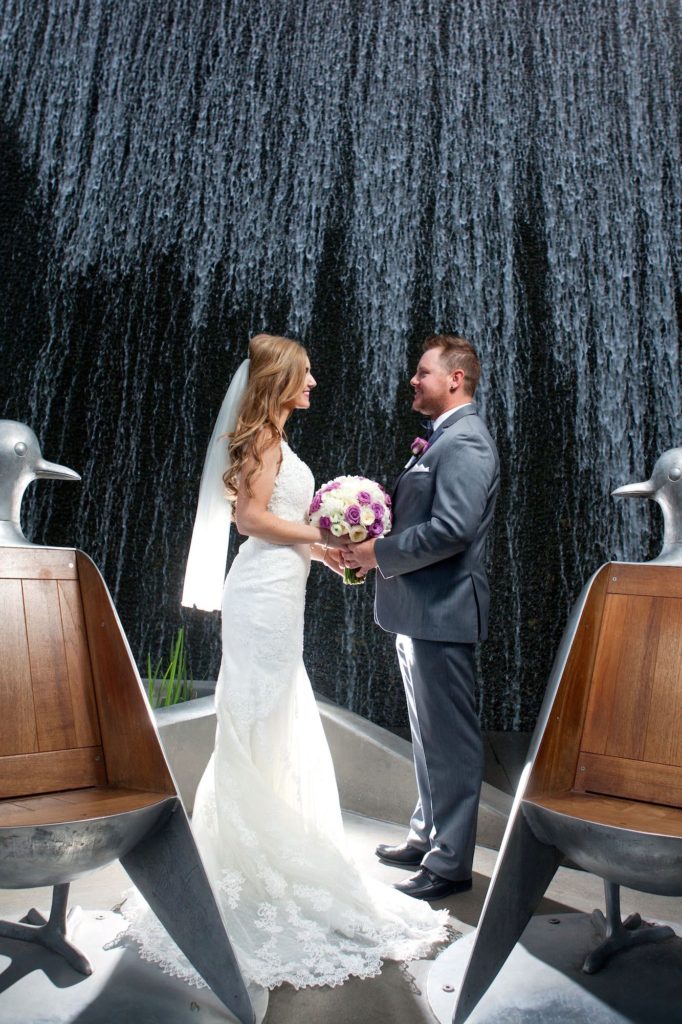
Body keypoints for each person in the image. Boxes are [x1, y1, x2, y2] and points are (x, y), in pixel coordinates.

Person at [126, 333, 449, 990]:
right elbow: (249, 519)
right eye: (305, 375)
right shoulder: (264, 443)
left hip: (282, 591)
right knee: (259, 711)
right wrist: (326, 533)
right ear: (279, 381)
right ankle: (253, 854)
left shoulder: (275, 440)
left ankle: (263, 839)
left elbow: (282, 522)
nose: (314, 385)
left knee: (271, 713)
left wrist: (329, 556)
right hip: (261, 595)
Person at [344, 334, 500, 902]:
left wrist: (375, 553)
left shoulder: (466, 443)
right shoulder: (441, 440)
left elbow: (453, 530)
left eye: (423, 371)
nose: (413, 380)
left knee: (452, 744)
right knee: (427, 735)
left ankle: (451, 864)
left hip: (443, 612)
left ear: (455, 378)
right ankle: (427, 835)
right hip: (418, 611)